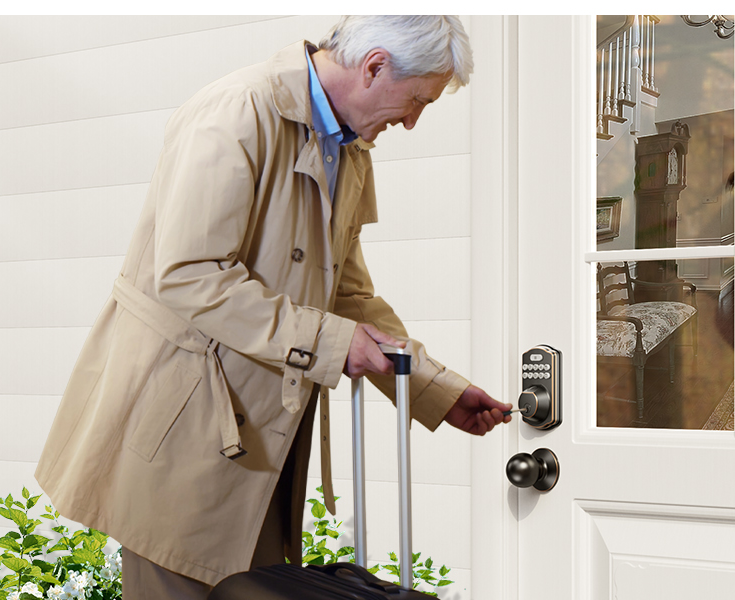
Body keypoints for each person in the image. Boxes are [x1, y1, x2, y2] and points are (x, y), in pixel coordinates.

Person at [34, 15, 512, 599]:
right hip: (188, 435)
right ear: (375, 65)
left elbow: (349, 293)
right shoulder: (237, 111)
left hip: (259, 440)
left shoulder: (347, 148)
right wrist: (333, 343)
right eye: (416, 101)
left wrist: (432, 387)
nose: (411, 121)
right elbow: (189, 274)